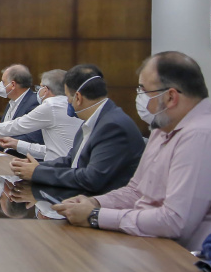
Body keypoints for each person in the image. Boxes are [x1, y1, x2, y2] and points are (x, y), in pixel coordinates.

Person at [53, 52, 211, 251]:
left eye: (143, 90)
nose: (139, 97)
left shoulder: (204, 136)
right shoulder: (164, 127)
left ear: (170, 96)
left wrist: (95, 215)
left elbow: (174, 221)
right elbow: (136, 190)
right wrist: (93, 202)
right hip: (151, 246)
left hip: (192, 263)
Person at [9, 64, 144, 195]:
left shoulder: (113, 126)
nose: (67, 102)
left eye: (67, 97)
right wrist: (37, 167)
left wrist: (37, 173)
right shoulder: (93, 120)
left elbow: (91, 179)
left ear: (78, 97)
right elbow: (71, 160)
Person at [0, 69, 82, 161]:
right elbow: (51, 151)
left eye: (39, 88)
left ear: (46, 89)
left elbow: (18, 125)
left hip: (59, 172)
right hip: (64, 167)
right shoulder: (71, 105)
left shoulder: (52, 106)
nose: (37, 92)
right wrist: (16, 144)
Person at [0, 64, 44, 147]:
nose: (0, 85)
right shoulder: (12, 102)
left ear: (12, 85)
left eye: (3, 82)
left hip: (20, 158)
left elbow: (31, 138)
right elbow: (5, 130)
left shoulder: (34, 102)